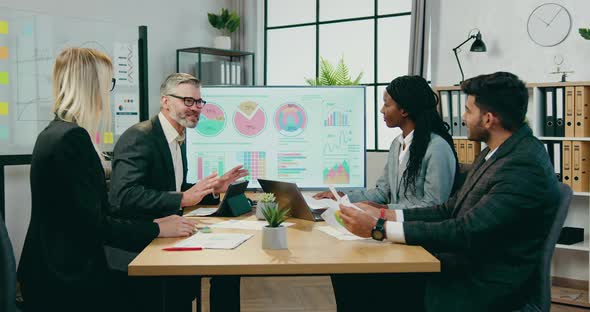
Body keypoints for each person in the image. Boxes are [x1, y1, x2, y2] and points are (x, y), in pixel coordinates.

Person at [339, 72, 560, 311]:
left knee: (361, 282)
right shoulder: (495, 153)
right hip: (465, 267)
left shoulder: (522, 166)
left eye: (468, 111)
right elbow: (450, 208)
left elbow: (465, 230)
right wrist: (386, 215)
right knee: (353, 276)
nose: (463, 118)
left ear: (488, 119)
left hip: (485, 286)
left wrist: (378, 229)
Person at [18, 48, 199, 312]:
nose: (108, 93)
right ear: (92, 86)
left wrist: (155, 222)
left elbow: (89, 211)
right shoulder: (72, 140)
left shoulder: (54, 132)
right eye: (108, 83)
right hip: (67, 279)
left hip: (51, 268)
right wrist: (157, 229)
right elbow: (95, 226)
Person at [109, 73, 248, 312]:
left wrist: (213, 190)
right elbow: (124, 196)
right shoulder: (139, 137)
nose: (196, 108)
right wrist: (183, 198)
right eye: (188, 101)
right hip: (142, 244)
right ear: (165, 101)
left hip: (172, 236)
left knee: (227, 272)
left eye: (199, 102)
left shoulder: (178, 137)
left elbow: (172, 189)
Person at [314, 75, 458, 212]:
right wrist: (341, 197)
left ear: (404, 110)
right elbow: (382, 192)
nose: (382, 110)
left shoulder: (437, 148)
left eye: (387, 104)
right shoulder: (397, 144)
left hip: (420, 232)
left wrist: (384, 210)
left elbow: (434, 206)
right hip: (396, 226)